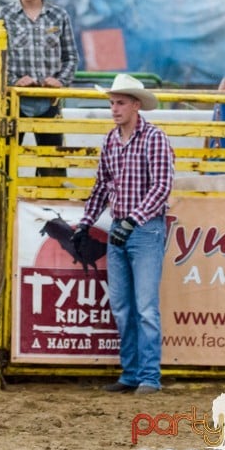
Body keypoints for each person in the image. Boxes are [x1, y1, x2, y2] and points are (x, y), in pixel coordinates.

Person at [71, 74, 174, 395]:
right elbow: (103, 185)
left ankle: (147, 376)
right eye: (112, 103)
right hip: (124, 228)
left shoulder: (154, 138)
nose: (114, 109)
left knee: (143, 307)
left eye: (120, 103)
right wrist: (86, 222)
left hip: (144, 230)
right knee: (123, 306)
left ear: (135, 105)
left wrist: (132, 220)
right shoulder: (111, 140)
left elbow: (162, 186)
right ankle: (133, 373)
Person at [0, 0, 78, 178]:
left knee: (52, 162)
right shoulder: (3, 16)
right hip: (13, 99)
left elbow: (71, 57)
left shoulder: (59, 16)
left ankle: (51, 208)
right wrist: (13, 80)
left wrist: (60, 80)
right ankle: (1, 209)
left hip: (49, 98)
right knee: (4, 161)